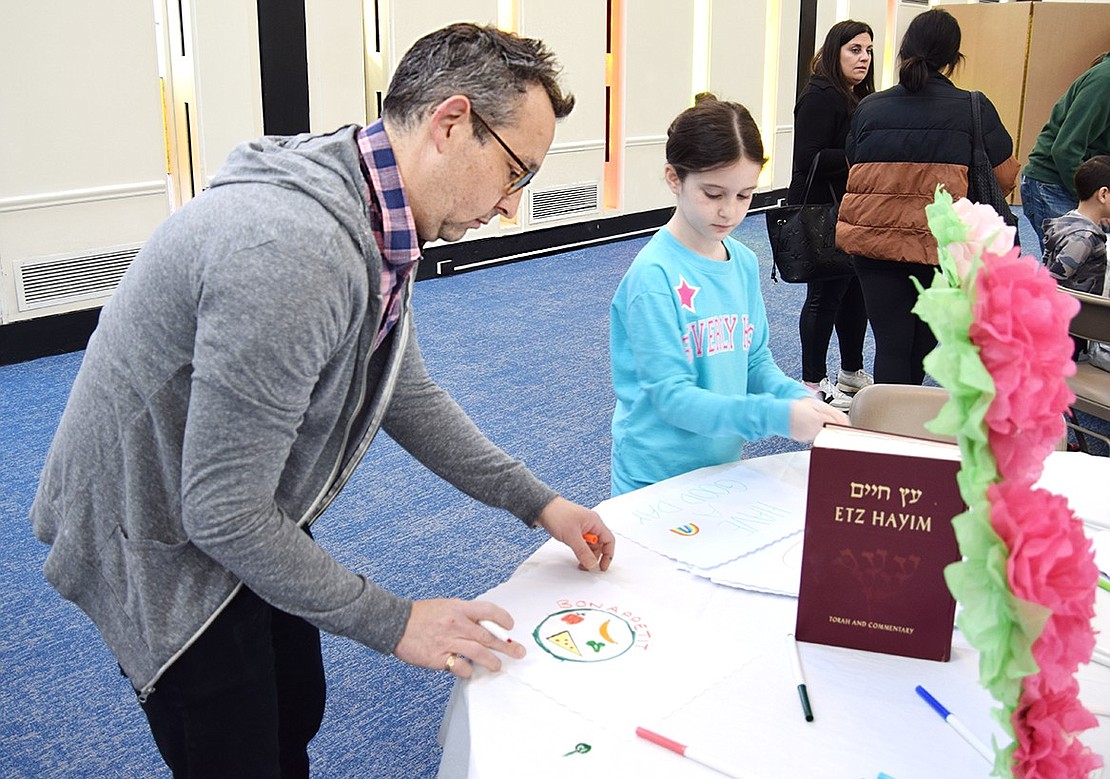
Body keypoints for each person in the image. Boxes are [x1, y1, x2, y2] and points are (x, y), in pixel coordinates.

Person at [29, 23, 616, 778]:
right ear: (451, 122)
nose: (509, 206)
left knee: (293, 701)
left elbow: (403, 389)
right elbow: (219, 511)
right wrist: (397, 621)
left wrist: (539, 502)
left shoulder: (375, 206)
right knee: (232, 744)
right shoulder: (297, 250)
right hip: (153, 536)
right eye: (516, 173)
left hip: (231, 502)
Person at [609, 94, 848, 496]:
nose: (730, 213)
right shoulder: (653, 278)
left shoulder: (741, 261)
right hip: (653, 481)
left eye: (744, 195)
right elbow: (673, 399)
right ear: (674, 179)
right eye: (713, 194)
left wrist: (800, 399)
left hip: (719, 469)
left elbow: (754, 360)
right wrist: (776, 416)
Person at [836, 8, 1019, 385]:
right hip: (942, 247)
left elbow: (855, 164)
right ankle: (900, 422)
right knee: (920, 344)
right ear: (954, 59)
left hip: (874, 245)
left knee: (891, 345)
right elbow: (1004, 174)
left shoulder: (870, 107)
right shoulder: (973, 107)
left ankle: (888, 430)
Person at [789, 19, 877, 410]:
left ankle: (851, 371)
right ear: (834, 51)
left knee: (855, 292)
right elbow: (806, 159)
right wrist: (858, 153)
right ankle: (811, 381)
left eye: (868, 50)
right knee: (825, 295)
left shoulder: (856, 95)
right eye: (854, 49)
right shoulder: (821, 95)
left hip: (852, 207)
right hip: (822, 210)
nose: (863, 58)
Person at [1021, 49, 1110, 253]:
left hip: (1091, 187)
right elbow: (1066, 149)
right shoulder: (1104, 82)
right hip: (1056, 183)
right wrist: (1093, 202)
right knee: (1070, 273)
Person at [1043, 155, 1110, 293]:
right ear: (1103, 194)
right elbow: (1052, 285)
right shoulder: (1082, 238)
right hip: (1080, 312)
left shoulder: (1069, 222)